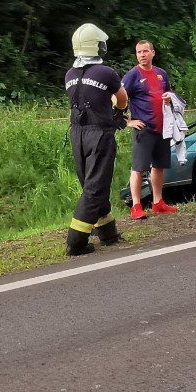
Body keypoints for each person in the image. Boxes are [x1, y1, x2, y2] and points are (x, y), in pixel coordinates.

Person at [63, 24, 129, 256]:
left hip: (77, 133)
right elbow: (122, 97)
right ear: (96, 46)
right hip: (99, 133)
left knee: (90, 182)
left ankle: (107, 232)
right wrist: (120, 111)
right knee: (95, 187)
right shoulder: (106, 73)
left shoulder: (70, 74)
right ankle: (76, 241)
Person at [121, 40, 179, 220]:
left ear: (153, 52)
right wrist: (126, 121)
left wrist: (169, 99)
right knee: (138, 168)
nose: (142, 55)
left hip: (162, 128)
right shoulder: (132, 75)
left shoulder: (161, 73)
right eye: (139, 52)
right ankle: (136, 205)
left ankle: (157, 202)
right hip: (143, 128)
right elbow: (118, 99)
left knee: (159, 166)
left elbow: (169, 93)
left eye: (145, 51)